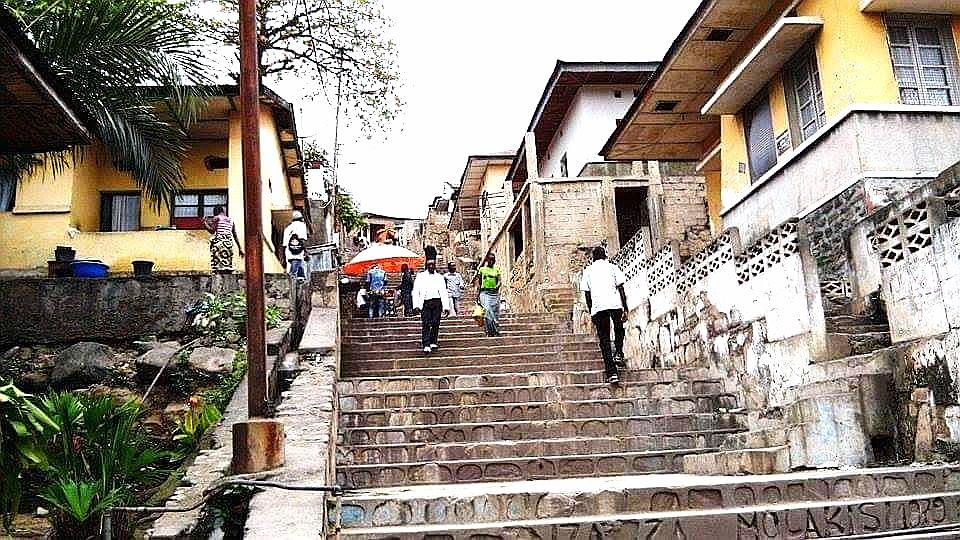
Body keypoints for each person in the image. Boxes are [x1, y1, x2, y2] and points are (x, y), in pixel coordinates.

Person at [579, 246, 629, 385]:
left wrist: (591, 311)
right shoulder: (613, 267)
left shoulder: (587, 271)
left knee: (605, 341)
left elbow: (587, 294)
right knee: (619, 329)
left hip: (599, 308)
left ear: (593, 258)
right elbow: (621, 287)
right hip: (615, 304)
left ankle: (612, 373)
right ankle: (619, 352)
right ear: (605, 255)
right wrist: (625, 307)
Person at [412, 259, 451, 354]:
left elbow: (443, 291)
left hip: (437, 302)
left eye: (433, 265)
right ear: (426, 266)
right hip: (425, 302)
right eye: (429, 265)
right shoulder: (420, 276)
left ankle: (433, 341)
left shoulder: (439, 277)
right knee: (425, 323)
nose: (431, 266)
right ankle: (426, 344)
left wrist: (446, 306)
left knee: (436, 322)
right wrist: (416, 305)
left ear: (435, 266)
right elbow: (416, 291)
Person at [203, 206, 243, 273]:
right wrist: (240, 248)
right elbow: (235, 236)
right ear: (223, 211)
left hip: (220, 243)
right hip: (229, 244)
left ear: (216, 211)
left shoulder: (217, 218)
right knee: (227, 266)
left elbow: (212, 231)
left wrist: (204, 223)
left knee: (217, 268)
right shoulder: (231, 220)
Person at [474, 253, 502, 337]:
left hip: (494, 293)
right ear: (486, 260)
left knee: (494, 312)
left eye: (493, 260)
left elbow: (499, 281)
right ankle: (491, 329)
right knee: (487, 309)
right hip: (484, 292)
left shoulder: (497, 269)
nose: (491, 261)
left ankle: (494, 331)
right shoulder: (482, 269)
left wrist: (497, 286)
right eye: (490, 259)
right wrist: (477, 294)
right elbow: (478, 282)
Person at [282, 210, 309, 278]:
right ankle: (292, 278)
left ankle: (301, 277)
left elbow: (284, 245)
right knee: (294, 269)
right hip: (297, 251)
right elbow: (302, 240)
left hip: (288, 251)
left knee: (298, 266)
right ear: (301, 218)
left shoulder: (288, 228)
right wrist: (306, 252)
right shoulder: (302, 226)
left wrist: (283, 257)